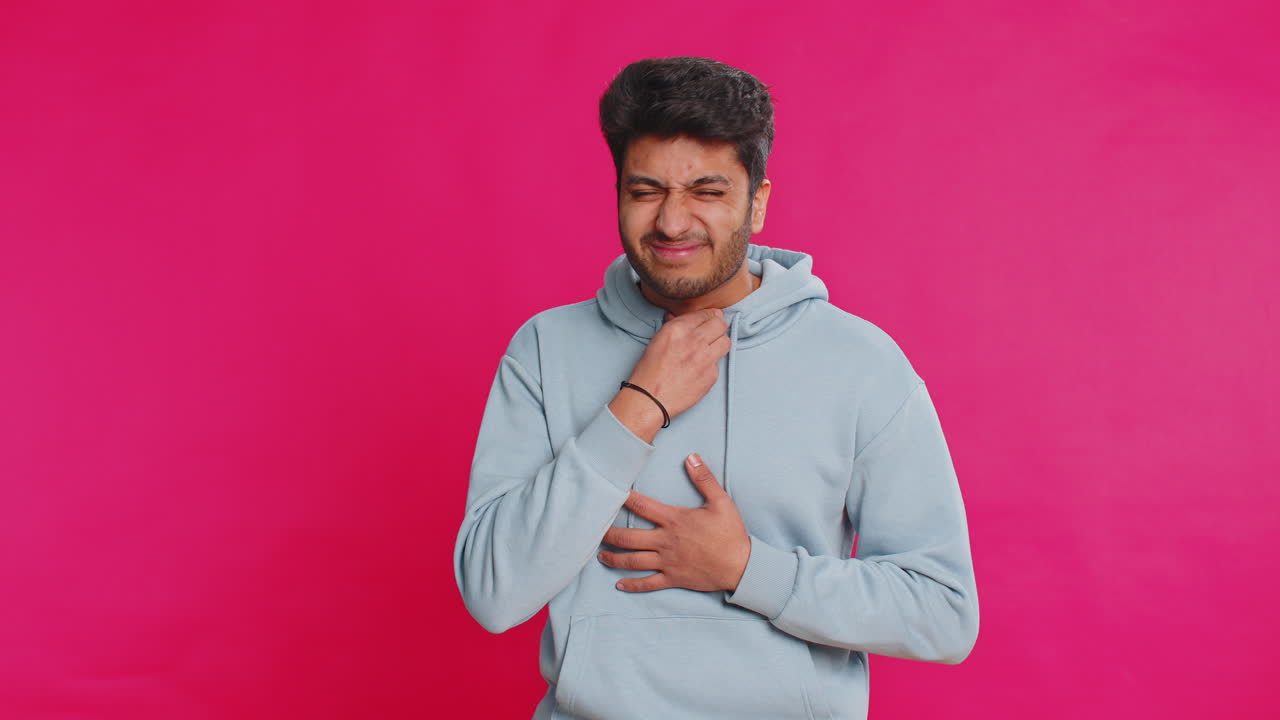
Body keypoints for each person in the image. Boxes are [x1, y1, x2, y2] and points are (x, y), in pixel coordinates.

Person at [453, 56, 979, 720]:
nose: (673, 223)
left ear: (757, 202)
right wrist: (636, 407)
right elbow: (494, 593)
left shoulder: (860, 363)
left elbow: (942, 612)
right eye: (646, 191)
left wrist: (742, 568)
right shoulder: (544, 349)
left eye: (707, 191)